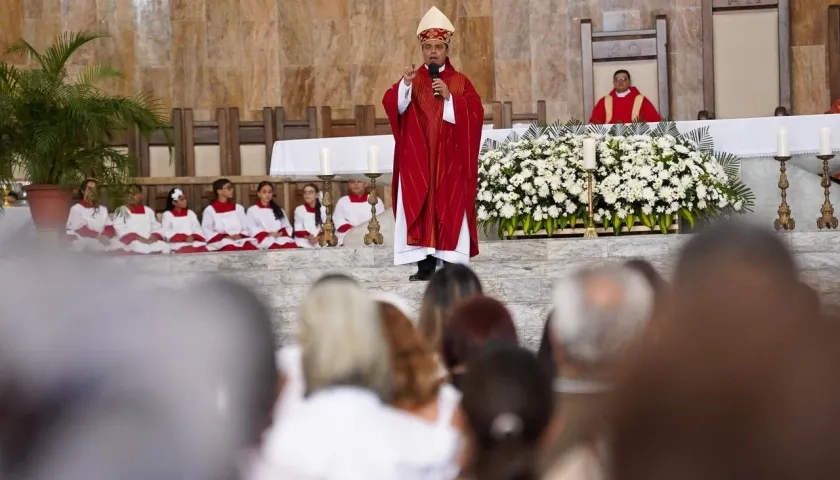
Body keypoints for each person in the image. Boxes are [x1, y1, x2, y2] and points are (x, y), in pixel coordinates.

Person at [382, 6, 484, 281]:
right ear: (422, 50)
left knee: (450, 208)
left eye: (438, 46)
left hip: (449, 162)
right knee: (421, 207)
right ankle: (424, 265)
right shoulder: (412, 80)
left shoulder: (460, 82)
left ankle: (451, 266)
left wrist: (452, 99)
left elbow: (476, 115)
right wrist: (404, 85)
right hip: (419, 161)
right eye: (428, 47)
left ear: (447, 49)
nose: (433, 52)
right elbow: (392, 103)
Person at [201, 178, 258, 252]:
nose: (231, 190)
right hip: (222, 240)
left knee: (250, 247)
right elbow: (207, 230)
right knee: (230, 248)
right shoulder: (210, 210)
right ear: (219, 191)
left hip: (239, 239)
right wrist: (226, 236)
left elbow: (245, 226)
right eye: (228, 188)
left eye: (231, 187)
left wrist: (240, 235)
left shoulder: (238, 208)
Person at [112, 185, 170, 255]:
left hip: (148, 240)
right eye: (129, 194)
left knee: (165, 247)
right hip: (132, 241)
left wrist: (154, 236)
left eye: (134, 194)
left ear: (141, 195)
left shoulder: (148, 211)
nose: (131, 196)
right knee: (139, 247)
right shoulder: (121, 210)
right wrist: (138, 238)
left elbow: (156, 227)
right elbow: (120, 229)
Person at [65, 178, 119, 252]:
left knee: (119, 244)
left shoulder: (102, 209)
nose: (93, 192)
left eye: (95, 189)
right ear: (83, 191)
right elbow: (80, 229)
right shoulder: (76, 209)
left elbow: (109, 226)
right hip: (83, 240)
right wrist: (99, 236)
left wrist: (106, 235)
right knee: (93, 246)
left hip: (102, 239)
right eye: (89, 189)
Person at [588, 69, 661, 125]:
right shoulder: (604, 101)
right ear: (613, 82)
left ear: (629, 82)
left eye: (624, 79)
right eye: (617, 79)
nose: (620, 82)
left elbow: (655, 122)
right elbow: (594, 124)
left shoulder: (641, 100)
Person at [247, 181, 297, 250]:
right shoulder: (252, 210)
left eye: (270, 192)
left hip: (279, 238)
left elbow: (287, 226)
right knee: (274, 248)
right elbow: (252, 228)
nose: (267, 194)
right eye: (264, 192)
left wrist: (280, 233)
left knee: (292, 245)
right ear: (259, 194)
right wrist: (269, 234)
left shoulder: (279, 209)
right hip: (264, 239)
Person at [161, 188, 209, 254]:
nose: (185, 201)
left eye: (185, 198)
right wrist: (184, 237)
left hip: (193, 242)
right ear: (174, 202)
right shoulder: (167, 215)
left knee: (204, 249)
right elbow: (166, 232)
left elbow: (197, 228)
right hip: (178, 244)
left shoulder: (190, 213)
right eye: (182, 200)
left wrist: (193, 236)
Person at [293, 183, 329, 249]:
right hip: (304, 240)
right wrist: (309, 237)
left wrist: (318, 238)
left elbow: (327, 229)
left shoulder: (324, 209)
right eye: (305, 192)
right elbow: (298, 229)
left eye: (310, 192)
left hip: (320, 240)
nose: (307, 194)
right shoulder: (299, 209)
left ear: (316, 195)